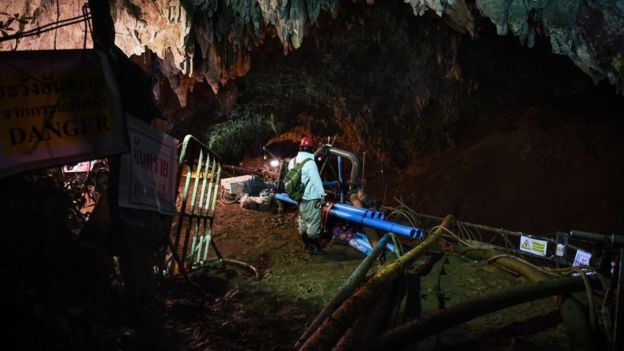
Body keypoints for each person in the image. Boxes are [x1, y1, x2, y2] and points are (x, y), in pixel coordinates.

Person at [288, 136, 326, 254]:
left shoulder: (292, 161)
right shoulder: (310, 163)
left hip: (299, 198)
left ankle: (305, 243)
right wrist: (323, 195)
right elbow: (317, 181)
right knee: (314, 223)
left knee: (303, 220)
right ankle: (313, 247)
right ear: (311, 149)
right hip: (311, 198)